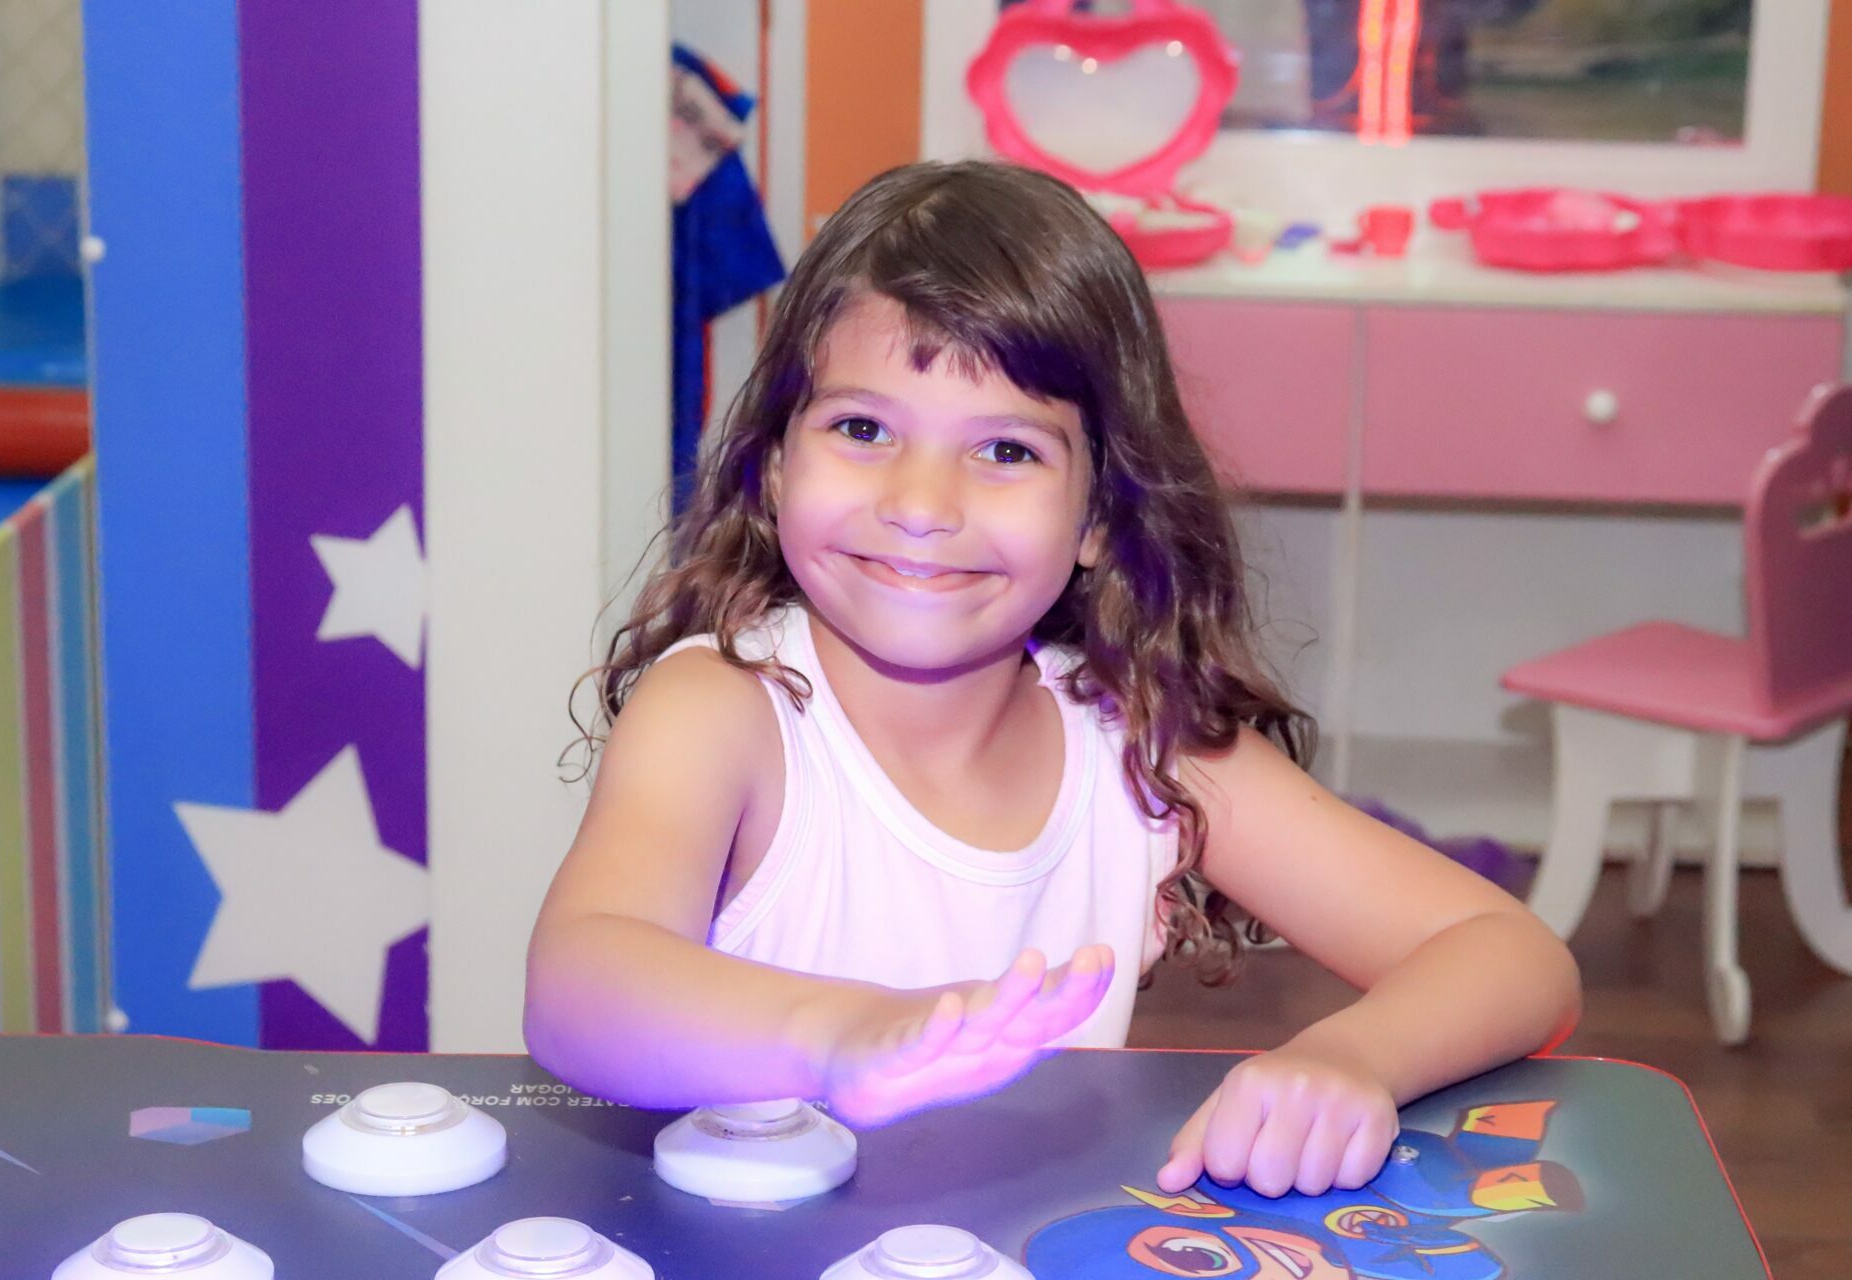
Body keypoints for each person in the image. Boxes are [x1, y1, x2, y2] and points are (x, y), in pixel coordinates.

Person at [524, 159, 1580, 1198]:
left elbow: (1510, 953)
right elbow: (579, 987)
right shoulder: (723, 710)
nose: (921, 503)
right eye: (862, 428)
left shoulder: (1141, 742)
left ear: (1099, 517)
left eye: (1006, 451)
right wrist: (844, 1035)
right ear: (772, 466)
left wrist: (1352, 1060)